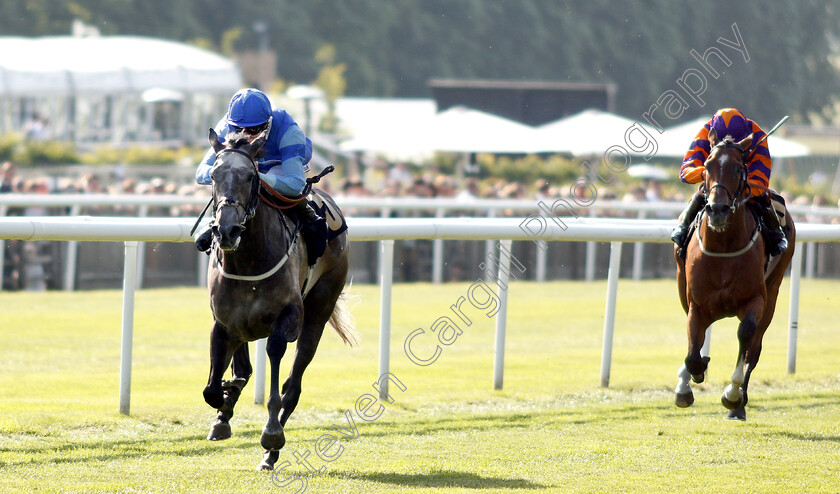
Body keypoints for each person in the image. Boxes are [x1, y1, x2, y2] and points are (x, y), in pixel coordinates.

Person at [193, 88, 326, 258]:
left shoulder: (288, 131)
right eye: (239, 130)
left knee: (263, 182)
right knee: (229, 180)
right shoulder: (225, 128)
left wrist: (255, 177)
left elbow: (294, 184)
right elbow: (201, 172)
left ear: (267, 124)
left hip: (279, 166)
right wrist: (231, 173)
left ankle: (308, 216)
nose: (245, 136)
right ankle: (215, 222)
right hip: (245, 167)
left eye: (253, 130)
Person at [671, 108, 788, 256]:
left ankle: (776, 235)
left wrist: (737, 181)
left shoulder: (757, 135)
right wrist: (707, 173)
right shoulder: (705, 132)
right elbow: (685, 172)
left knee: (763, 197)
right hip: (714, 182)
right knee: (700, 194)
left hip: (745, 181)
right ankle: (683, 227)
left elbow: (761, 180)